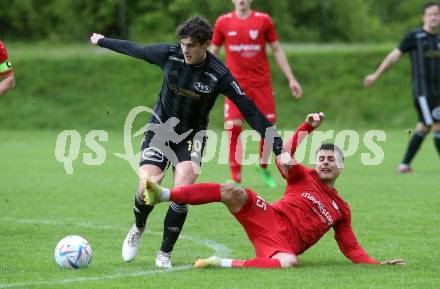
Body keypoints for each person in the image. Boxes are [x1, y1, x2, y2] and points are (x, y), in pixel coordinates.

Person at [90, 16, 292, 268]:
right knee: (147, 187)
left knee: (182, 192)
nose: (185, 49)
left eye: (192, 45)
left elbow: (250, 110)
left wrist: (278, 148)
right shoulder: (170, 55)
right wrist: (103, 41)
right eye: (183, 44)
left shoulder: (219, 74)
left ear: (206, 44)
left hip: (193, 136)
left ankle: (164, 253)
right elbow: (137, 50)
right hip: (161, 129)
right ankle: (138, 227)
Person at [143, 112, 405, 268]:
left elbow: (351, 247)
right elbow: (285, 154)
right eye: (321, 159)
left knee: (290, 263)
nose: (325, 163)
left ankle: (219, 262)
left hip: (281, 245)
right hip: (268, 216)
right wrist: (307, 127)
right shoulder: (304, 176)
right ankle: (163, 194)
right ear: (316, 163)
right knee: (233, 190)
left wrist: (376, 265)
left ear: (341, 166)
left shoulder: (342, 209)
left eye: (331, 159)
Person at [211, 0, 302, 187]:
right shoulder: (223, 22)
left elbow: (276, 49)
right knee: (233, 127)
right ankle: (235, 176)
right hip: (234, 85)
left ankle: (262, 165)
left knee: (268, 130)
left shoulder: (263, 20)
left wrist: (291, 78)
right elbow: (213, 52)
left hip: (261, 85)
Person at [364, 1, 440, 173]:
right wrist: (376, 74)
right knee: (437, 125)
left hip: (438, 94)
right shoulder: (414, 37)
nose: (434, 17)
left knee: (423, 127)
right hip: (423, 93)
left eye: (437, 14)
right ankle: (404, 165)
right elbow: (394, 55)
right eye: (431, 14)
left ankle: (404, 165)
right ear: (424, 17)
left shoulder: (439, 39)